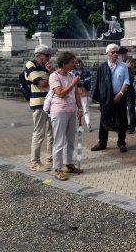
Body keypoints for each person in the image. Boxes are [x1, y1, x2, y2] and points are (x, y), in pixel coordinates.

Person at [49, 51, 83, 181]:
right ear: (64, 63)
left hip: (71, 110)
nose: (74, 63)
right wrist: (73, 83)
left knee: (70, 139)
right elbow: (60, 94)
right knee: (59, 140)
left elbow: (76, 93)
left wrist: (80, 108)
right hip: (59, 111)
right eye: (72, 62)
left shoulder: (71, 75)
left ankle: (68, 164)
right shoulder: (54, 76)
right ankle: (57, 168)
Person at [90, 43, 130, 153]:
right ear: (107, 53)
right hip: (106, 97)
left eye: (117, 52)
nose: (115, 54)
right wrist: (99, 97)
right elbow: (98, 83)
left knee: (121, 120)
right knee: (104, 119)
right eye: (113, 52)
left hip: (120, 96)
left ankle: (121, 143)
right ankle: (102, 143)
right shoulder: (102, 67)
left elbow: (126, 82)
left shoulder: (123, 66)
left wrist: (120, 94)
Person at [26, 44, 55, 172]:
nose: (49, 58)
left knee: (52, 132)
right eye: (46, 55)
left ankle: (50, 157)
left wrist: (52, 72)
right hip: (39, 103)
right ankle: (35, 162)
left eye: (49, 55)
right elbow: (42, 84)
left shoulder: (46, 67)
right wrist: (51, 75)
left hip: (50, 103)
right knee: (39, 133)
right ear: (38, 55)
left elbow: (57, 80)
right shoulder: (30, 65)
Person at [117, 47, 136, 134]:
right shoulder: (117, 63)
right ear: (119, 55)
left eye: (125, 53)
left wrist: (130, 67)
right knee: (122, 108)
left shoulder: (131, 61)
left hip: (129, 88)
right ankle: (123, 125)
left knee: (131, 108)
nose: (123, 55)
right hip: (120, 88)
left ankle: (132, 126)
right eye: (121, 54)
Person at [72, 58, 92, 132]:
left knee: (85, 109)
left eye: (79, 63)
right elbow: (72, 82)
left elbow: (88, 80)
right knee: (74, 110)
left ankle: (88, 124)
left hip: (84, 92)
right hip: (75, 93)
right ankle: (73, 126)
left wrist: (79, 81)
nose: (78, 64)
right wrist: (79, 81)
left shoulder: (86, 71)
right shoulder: (72, 72)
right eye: (76, 63)